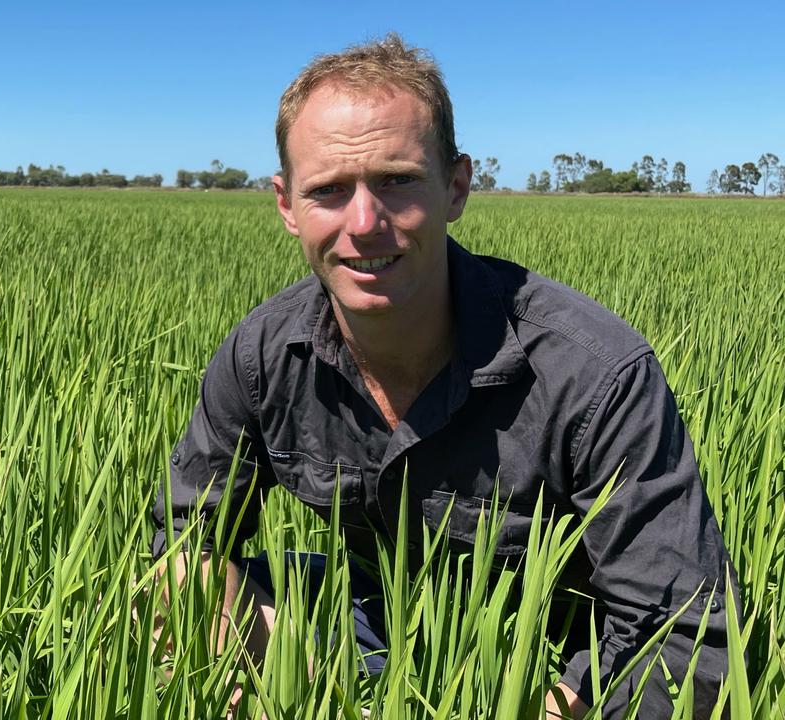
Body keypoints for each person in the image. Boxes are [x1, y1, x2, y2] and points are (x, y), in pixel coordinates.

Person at [152, 34, 736, 719]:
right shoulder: (262, 354)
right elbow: (185, 546)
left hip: (554, 658)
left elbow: (686, 640)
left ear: (455, 186)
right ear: (286, 205)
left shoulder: (592, 372)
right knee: (153, 609)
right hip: (375, 619)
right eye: (329, 191)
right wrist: (294, 686)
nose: (364, 224)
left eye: (396, 181)